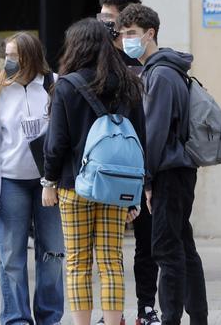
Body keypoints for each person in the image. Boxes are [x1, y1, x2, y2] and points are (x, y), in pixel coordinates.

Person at [42, 19, 146, 325]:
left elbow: (56, 142)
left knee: (77, 262)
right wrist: (135, 194)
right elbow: (140, 140)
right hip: (116, 187)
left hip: (74, 186)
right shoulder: (129, 83)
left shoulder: (67, 86)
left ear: (76, 46)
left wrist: (48, 182)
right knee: (112, 260)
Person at [118, 4, 208, 325]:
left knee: (166, 251)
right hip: (178, 169)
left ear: (150, 33)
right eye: (123, 34)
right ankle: (197, 317)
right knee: (183, 245)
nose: (126, 40)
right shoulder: (169, 69)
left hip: (169, 172)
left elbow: (153, 133)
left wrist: (147, 181)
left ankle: (172, 319)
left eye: (132, 34)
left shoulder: (160, 74)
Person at [0, 32, 64, 325]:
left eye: (15, 55)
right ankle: (16, 318)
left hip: (48, 181)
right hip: (12, 182)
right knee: (11, 256)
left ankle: (49, 317)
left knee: (53, 252)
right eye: (7, 54)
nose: (9, 61)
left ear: (30, 56)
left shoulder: (55, 84)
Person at [99, 0, 161, 325]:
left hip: (147, 165)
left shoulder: (147, 61)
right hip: (113, 166)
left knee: (147, 243)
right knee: (109, 248)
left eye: (110, 19)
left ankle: (146, 307)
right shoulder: (100, 61)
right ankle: (113, 313)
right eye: (103, 19)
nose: (105, 25)